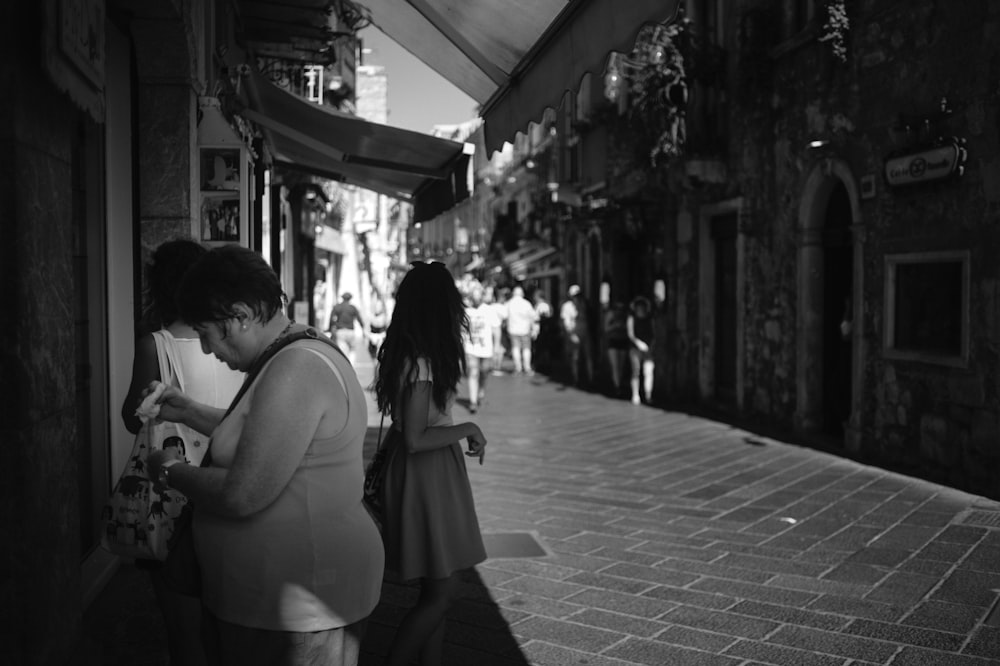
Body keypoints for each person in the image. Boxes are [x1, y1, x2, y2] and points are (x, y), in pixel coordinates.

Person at [144, 245, 384, 666]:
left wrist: (169, 469)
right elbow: (266, 438)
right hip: (278, 602)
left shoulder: (296, 367)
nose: (204, 348)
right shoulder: (287, 353)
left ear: (239, 315)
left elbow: (244, 492)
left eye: (206, 332)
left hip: (301, 606)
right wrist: (187, 410)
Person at [120, 239, 244, 666]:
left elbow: (132, 418)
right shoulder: (237, 342)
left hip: (172, 490)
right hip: (228, 480)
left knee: (182, 626)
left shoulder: (156, 344)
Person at [372, 260, 487, 666]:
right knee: (443, 591)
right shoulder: (420, 361)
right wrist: (468, 426)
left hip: (420, 471)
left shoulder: (407, 354)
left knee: (433, 588)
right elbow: (419, 438)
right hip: (428, 473)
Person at [463, 283, 501, 413]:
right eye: (474, 296)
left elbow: (496, 329)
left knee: (484, 371)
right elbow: (460, 330)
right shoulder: (466, 311)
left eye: (479, 296)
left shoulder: (489, 310)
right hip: (471, 348)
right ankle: (473, 402)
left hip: (486, 348)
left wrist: (496, 345)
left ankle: (481, 391)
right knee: (473, 372)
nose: (476, 299)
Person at [560, 284, 593, 387]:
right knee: (575, 357)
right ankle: (576, 378)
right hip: (575, 333)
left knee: (589, 356)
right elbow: (566, 322)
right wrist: (571, 335)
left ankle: (590, 378)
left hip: (586, 333)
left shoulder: (585, 304)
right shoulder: (567, 306)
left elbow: (591, 317)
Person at [627, 295, 656, 405]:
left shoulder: (650, 318)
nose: (640, 308)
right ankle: (635, 394)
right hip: (635, 348)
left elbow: (654, 334)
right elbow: (631, 334)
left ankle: (648, 395)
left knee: (649, 371)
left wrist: (651, 346)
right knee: (636, 370)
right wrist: (639, 343)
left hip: (648, 348)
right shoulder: (632, 318)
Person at [505, 285, 538, 375]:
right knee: (526, 349)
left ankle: (518, 368)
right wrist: (534, 329)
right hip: (525, 330)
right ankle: (527, 367)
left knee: (515, 349)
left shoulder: (509, 303)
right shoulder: (526, 304)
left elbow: (504, 315)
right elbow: (534, 316)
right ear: (522, 294)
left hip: (513, 330)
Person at [328, 292, 366, 365]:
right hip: (350, 331)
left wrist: (331, 328)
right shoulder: (353, 308)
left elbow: (331, 319)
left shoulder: (337, 307)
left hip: (340, 331)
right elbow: (359, 319)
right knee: (352, 350)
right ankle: (351, 365)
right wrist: (363, 328)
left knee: (343, 352)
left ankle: (345, 366)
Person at [603, 301, 630, 398]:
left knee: (621, 365)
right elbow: (606, 328)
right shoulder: (611, 314)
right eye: (618, 307)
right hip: (613, 341)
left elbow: (630, 328)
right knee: (615, 365)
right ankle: (617, 387)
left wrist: (623, 326)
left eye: (622, 307)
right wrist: (615, 326)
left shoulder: (626, 315)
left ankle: (619, 384)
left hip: (622, 340)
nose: (620, 309)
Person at [485, 286, 508, 376]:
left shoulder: (490, 306)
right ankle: (497, 367)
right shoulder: (501, 307)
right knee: (498, 347)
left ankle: (493, 365)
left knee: (493, 346)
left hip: (490, 328)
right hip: (498, 327)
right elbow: (505, 317)